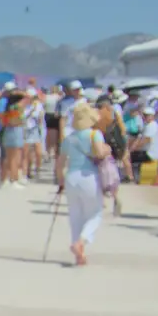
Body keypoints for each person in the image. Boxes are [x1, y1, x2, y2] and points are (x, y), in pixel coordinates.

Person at [54, 101, 110, 267]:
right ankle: (82, 242)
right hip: (89, 176)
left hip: (71, 177)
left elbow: (60, 163)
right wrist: (107, 150)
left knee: (75, 216)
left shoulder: (69, 138)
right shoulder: (95, 135)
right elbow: (100, 153)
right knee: (95, 213)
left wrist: (61, 182)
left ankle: (79, 253)